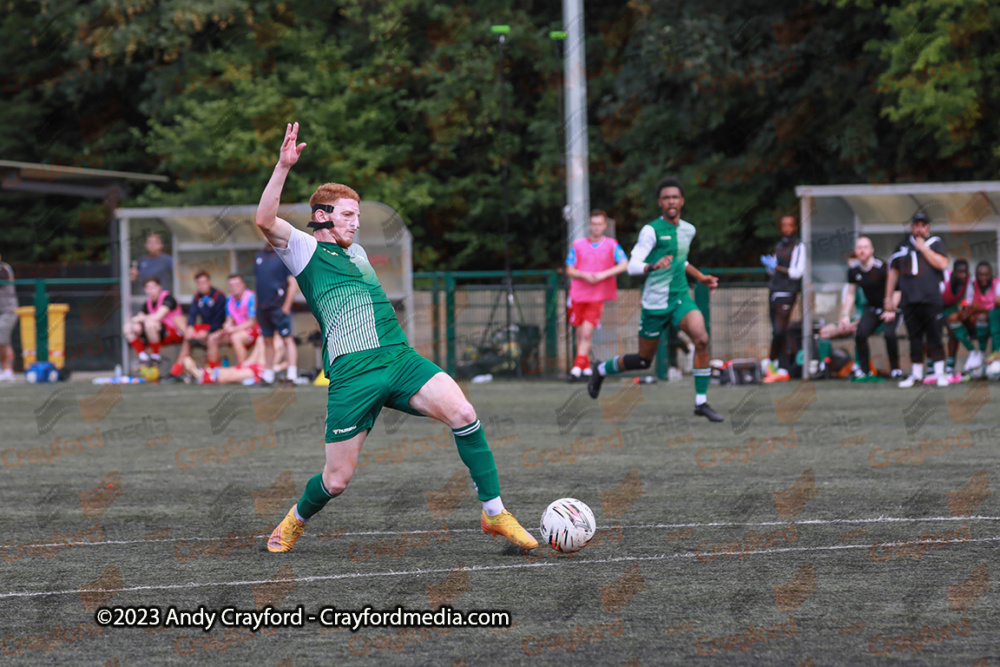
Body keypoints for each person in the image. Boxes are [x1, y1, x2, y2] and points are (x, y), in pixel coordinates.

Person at [257, 122, 537, 553]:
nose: (356, 222)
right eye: (348, 214)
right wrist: (282, 166)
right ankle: (296, 519)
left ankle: (495, 512)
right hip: (354, 373)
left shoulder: (358, 252)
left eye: (358, 215)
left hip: (399, 358)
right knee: (337, 480)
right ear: (322, 216)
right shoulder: (304, 249)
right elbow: (263, 219)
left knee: (463, 411)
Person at [587, 177, 723, 423]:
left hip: (680, 297)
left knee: (702, 339)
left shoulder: (688, 229)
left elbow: (682, 260)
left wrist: (701, 278)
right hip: (655, 303)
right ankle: (601, 369)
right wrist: (653, 265)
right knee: (643, 360)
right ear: (660, 203)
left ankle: (701, 402)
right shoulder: (651, 230)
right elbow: (632, 265)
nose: (671, 201)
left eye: (675, 197)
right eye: (666, 197)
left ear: (682, 201)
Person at [884, 212, 949, 388]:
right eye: (916, 225)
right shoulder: (902, 246)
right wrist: (888, 297)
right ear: (912, 227)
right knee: (914, 338)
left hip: (931, 300)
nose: (919, 229)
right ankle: (916, 375)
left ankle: (939, 373)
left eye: (923, 225)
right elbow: (893, 272)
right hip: (909, 300)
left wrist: (924, 249)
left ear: (927, 228)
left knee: (935, 336)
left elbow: (942, 264)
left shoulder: (935, 243)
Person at [565, 210, 628, 380]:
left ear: (604, 226)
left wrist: (604, 274)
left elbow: (624, 264)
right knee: (579, 334)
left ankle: (576, 369)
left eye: (599, 224)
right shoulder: (578, 245)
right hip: (578, 295)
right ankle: (585, 368)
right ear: (589, 225)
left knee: (586, 333)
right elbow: (569, 269)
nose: (596, 227)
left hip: (597, 296)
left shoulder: (612, 245)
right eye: (593, 224)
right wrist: (584, 275)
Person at [839, 236, 901, 381]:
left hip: (891, 308)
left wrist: (891, 309)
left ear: (871, 250)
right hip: (872, 308)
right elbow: (850, 293)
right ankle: (864, 370)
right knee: (860, 334)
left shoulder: (881, 267)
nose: (862, 251)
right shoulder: (854, 270)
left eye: (865, 247)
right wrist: (845, 315)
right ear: (855, 251)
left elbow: (898, 290)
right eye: (859, 248)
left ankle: (896, 370)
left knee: (889, 334)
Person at [760, 215, 805, 382]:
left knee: (780, 330)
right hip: (774, 291)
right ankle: (780, 367)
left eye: (790, 225)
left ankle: (773, 362)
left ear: (795, 227)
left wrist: (776, 267)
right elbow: (773, 272)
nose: (787, 229)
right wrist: (770, 266)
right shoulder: (779, 245)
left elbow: (797, 272)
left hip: (788, 292)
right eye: (784, 225)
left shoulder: (799, 246)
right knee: (778, 331)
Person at [255, 243, 301, 384]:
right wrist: (257, 306)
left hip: (279, 307)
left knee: (287, 339)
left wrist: (286, 307)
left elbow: (292, 284)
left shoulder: (284, 256)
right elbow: (258, 283)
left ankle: (292, 374)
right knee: (267, 341)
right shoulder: (258, 256)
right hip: (263, 309)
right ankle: (268, 375)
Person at [168, 271, 227, 378]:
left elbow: (220, 320)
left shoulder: (219, 296)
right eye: (199, 283)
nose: (202, 285)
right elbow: (192, 314)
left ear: (209, 282)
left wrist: (207, 332)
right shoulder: (197, 296)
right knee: (180, 324)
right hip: (203, 328)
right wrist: (190, 327)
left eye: (204, 282)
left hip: (217, 329)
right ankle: (176, 372)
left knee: (211, 339)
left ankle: (213, 372)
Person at [123, 277, 186, 369]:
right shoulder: (148, 302)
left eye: (153, 287)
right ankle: (143, 357)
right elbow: (139, 319)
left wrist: (140, 318)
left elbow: (157, 317)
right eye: (148, 288)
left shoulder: (168, 298)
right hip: (157, 334)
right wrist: (135, 322)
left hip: (174, 333)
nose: (151, 291)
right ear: (145, 290)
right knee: (128, 327)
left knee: (150, 324)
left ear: (159, 287)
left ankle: (155, 357)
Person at [208, 274, 260, 366]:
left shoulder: (251, 297)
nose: (234, 288)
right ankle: (214, 370)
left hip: (253, 331)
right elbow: (229, 319)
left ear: (243, 285)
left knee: (236, 337)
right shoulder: (229, 300)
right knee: (212, 338)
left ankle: (245, 368)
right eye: (231, 285)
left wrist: (233, 329)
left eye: (236, 285)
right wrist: (226, 327)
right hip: (236, 330)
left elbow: (251, 322)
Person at [959, 261, 1000, 370]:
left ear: (991, 274)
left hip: (993, 318)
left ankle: (996, 352)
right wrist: (969, 310)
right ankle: (977, 352)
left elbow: (997, 303)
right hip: (977, 319)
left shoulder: (997, 284)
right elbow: (967, 303)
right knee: (960, 317)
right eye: (980, 275)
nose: (983, 277)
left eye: (986, 274)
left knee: (993, 315)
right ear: (976, 275)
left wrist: (982, 309)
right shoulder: (973, 285)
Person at [942, 259, 973, 374]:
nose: (963, 275)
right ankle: (933, 367)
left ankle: (950, 366)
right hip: (939, 308)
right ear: (954, 272)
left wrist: (963, 312)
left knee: (953, 330)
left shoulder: (970, 281)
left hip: (953, 308)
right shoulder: (945, 278)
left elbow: (967, 301)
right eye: (960, 272)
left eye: (965, 272)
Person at [0, 251, 17, 382]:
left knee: (2, 342)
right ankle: (6, 370)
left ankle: (7, 370)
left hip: (7, 311)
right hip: (2, 312)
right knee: (5, 342)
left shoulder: (4, 269)